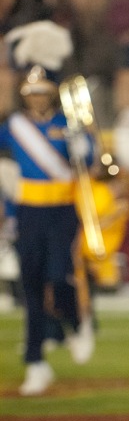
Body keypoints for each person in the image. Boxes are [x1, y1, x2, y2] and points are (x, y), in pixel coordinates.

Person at [0, 21, 96, 395]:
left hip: (61, 211)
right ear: (25, 95)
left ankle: (75, 323)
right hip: (28, 212)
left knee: (59, 274)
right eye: (32, 92)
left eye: (43, 92)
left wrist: (82, 145)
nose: (37, 98)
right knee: (31, 286)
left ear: (51, 93)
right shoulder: (13, 126)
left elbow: (88, 162)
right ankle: (35, 361)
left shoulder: (66, 122)